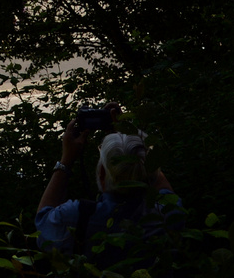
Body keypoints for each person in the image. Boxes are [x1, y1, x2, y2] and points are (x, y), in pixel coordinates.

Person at [35, 106, 182, 257]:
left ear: (102, 174)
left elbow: (42, 225)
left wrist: (66, 160)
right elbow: (162, 184)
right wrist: (126, 137)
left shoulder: (76, 216)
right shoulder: (167, 214)